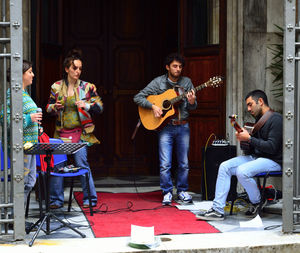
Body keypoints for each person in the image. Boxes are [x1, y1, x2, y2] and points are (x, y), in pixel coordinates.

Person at [196, 89, 282, 221]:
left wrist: (249, 139)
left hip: (274, 160)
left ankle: (258, 200)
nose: (248, 108)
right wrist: (244, 139)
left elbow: (272, 147)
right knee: (225, 166)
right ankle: (217, 210)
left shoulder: (276, 119)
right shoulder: (259, 120)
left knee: (242, 171)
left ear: (260, 101)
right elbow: (254, 147)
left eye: (250, 104)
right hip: (258, 158)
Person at [133, 53, 197, 205]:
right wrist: (153, 106)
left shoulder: (187, 82)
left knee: (184, 163)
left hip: (183, 125)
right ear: (167, 67)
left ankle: (181, 190)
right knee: (165, 163)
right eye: (175, 66)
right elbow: (138, 97)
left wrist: (192, 101)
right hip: (165, 127)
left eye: (180, 67)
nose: (178, 69)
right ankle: (167, 192)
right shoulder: (158, 82)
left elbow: (193, 107)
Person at [46, 49, 103, 208]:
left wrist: (87, 105)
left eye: (80, 68)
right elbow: (48, 108)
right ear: (67, 69)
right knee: (57, 166)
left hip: (81, 133)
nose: (78, 71)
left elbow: (100, 107)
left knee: (82, 163)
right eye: (74, 68)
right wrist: (54, 107)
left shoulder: (87, 87)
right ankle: (56, 200)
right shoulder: (56, 87)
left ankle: (90, 199)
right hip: (61, 133)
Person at [0, 60, 42, 229]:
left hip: (30, 146)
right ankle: (15, 219)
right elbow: (4, 118)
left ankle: (17, 218)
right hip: (22, 147)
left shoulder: (24, 94)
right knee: (23, 181)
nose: (33, 75)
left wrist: (36, 127)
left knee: (30, 181)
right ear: (21, 75)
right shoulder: (13, 94)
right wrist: (28, 119)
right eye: (30, 72)